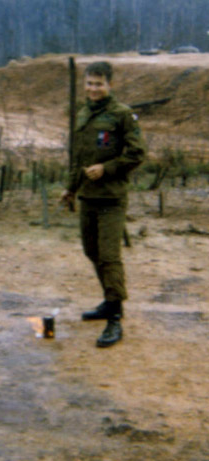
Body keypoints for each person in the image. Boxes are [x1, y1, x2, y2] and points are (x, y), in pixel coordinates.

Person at [61, 61, 147, 348]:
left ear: (110, 85)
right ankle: (109, 302)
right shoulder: (83, 113)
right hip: (88, 195)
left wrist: (107, 168)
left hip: (111, 197)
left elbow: (137, 153)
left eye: (99, 84)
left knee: (109, 256)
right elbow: (79, 157)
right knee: (92, 251)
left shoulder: (122, 114)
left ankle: (115, 317)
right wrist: (71, 188)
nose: (93, 89)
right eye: (89, 83)